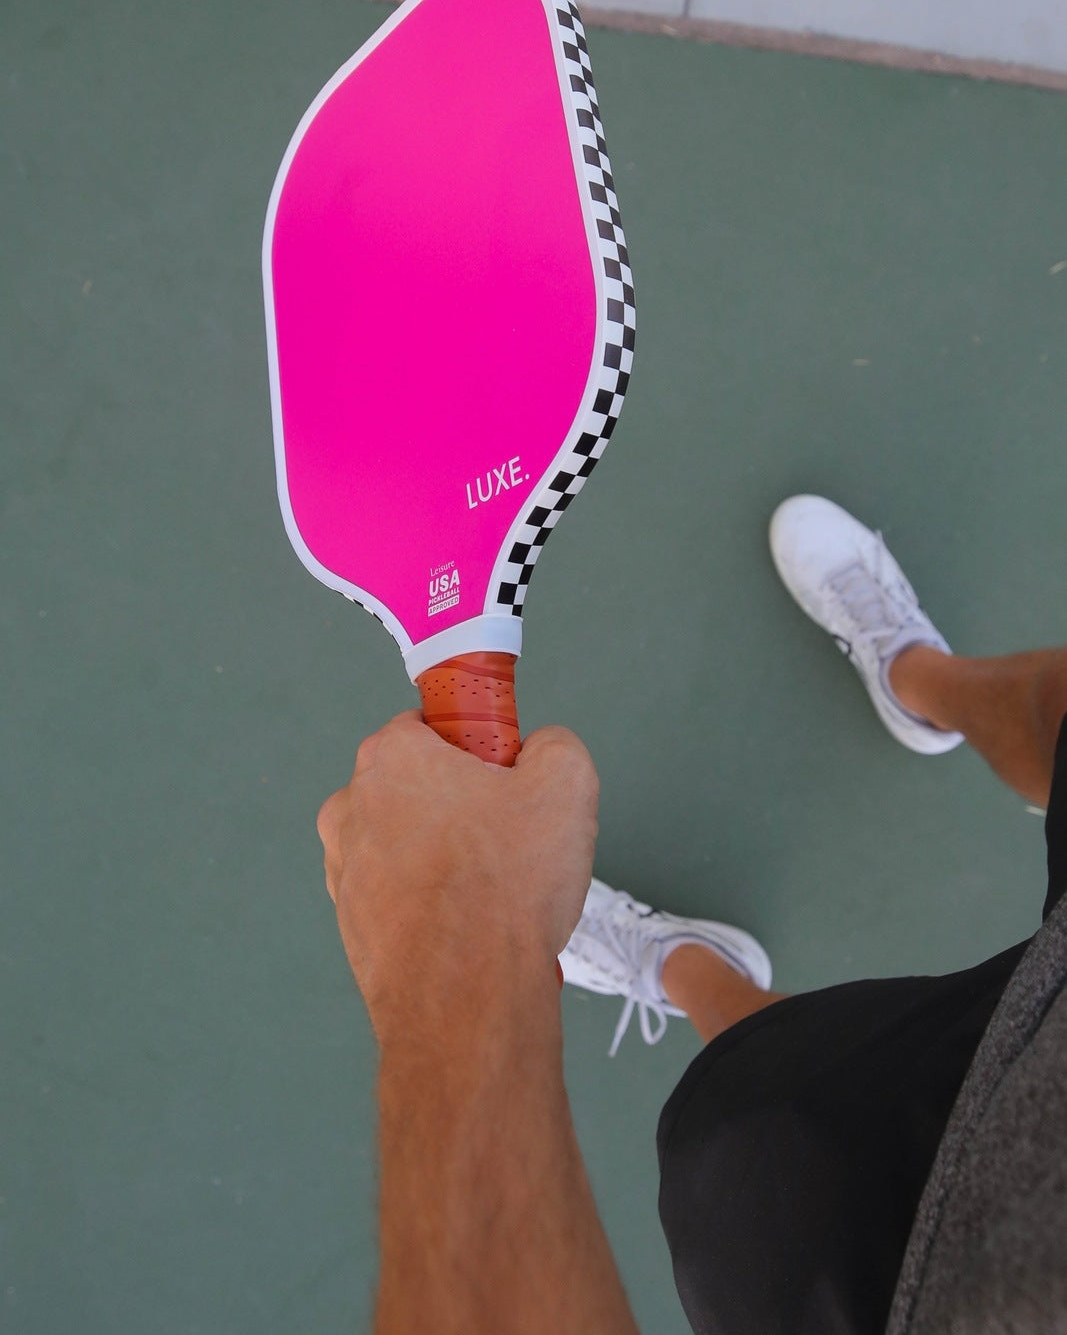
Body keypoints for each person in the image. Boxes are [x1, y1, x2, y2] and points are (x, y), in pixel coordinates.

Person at [317, 494, 1067, 1334]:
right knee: (1058, 705)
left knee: (779, 1094)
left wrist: (461, 955)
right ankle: (919, 681)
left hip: (941, 1274)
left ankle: (687, 968)